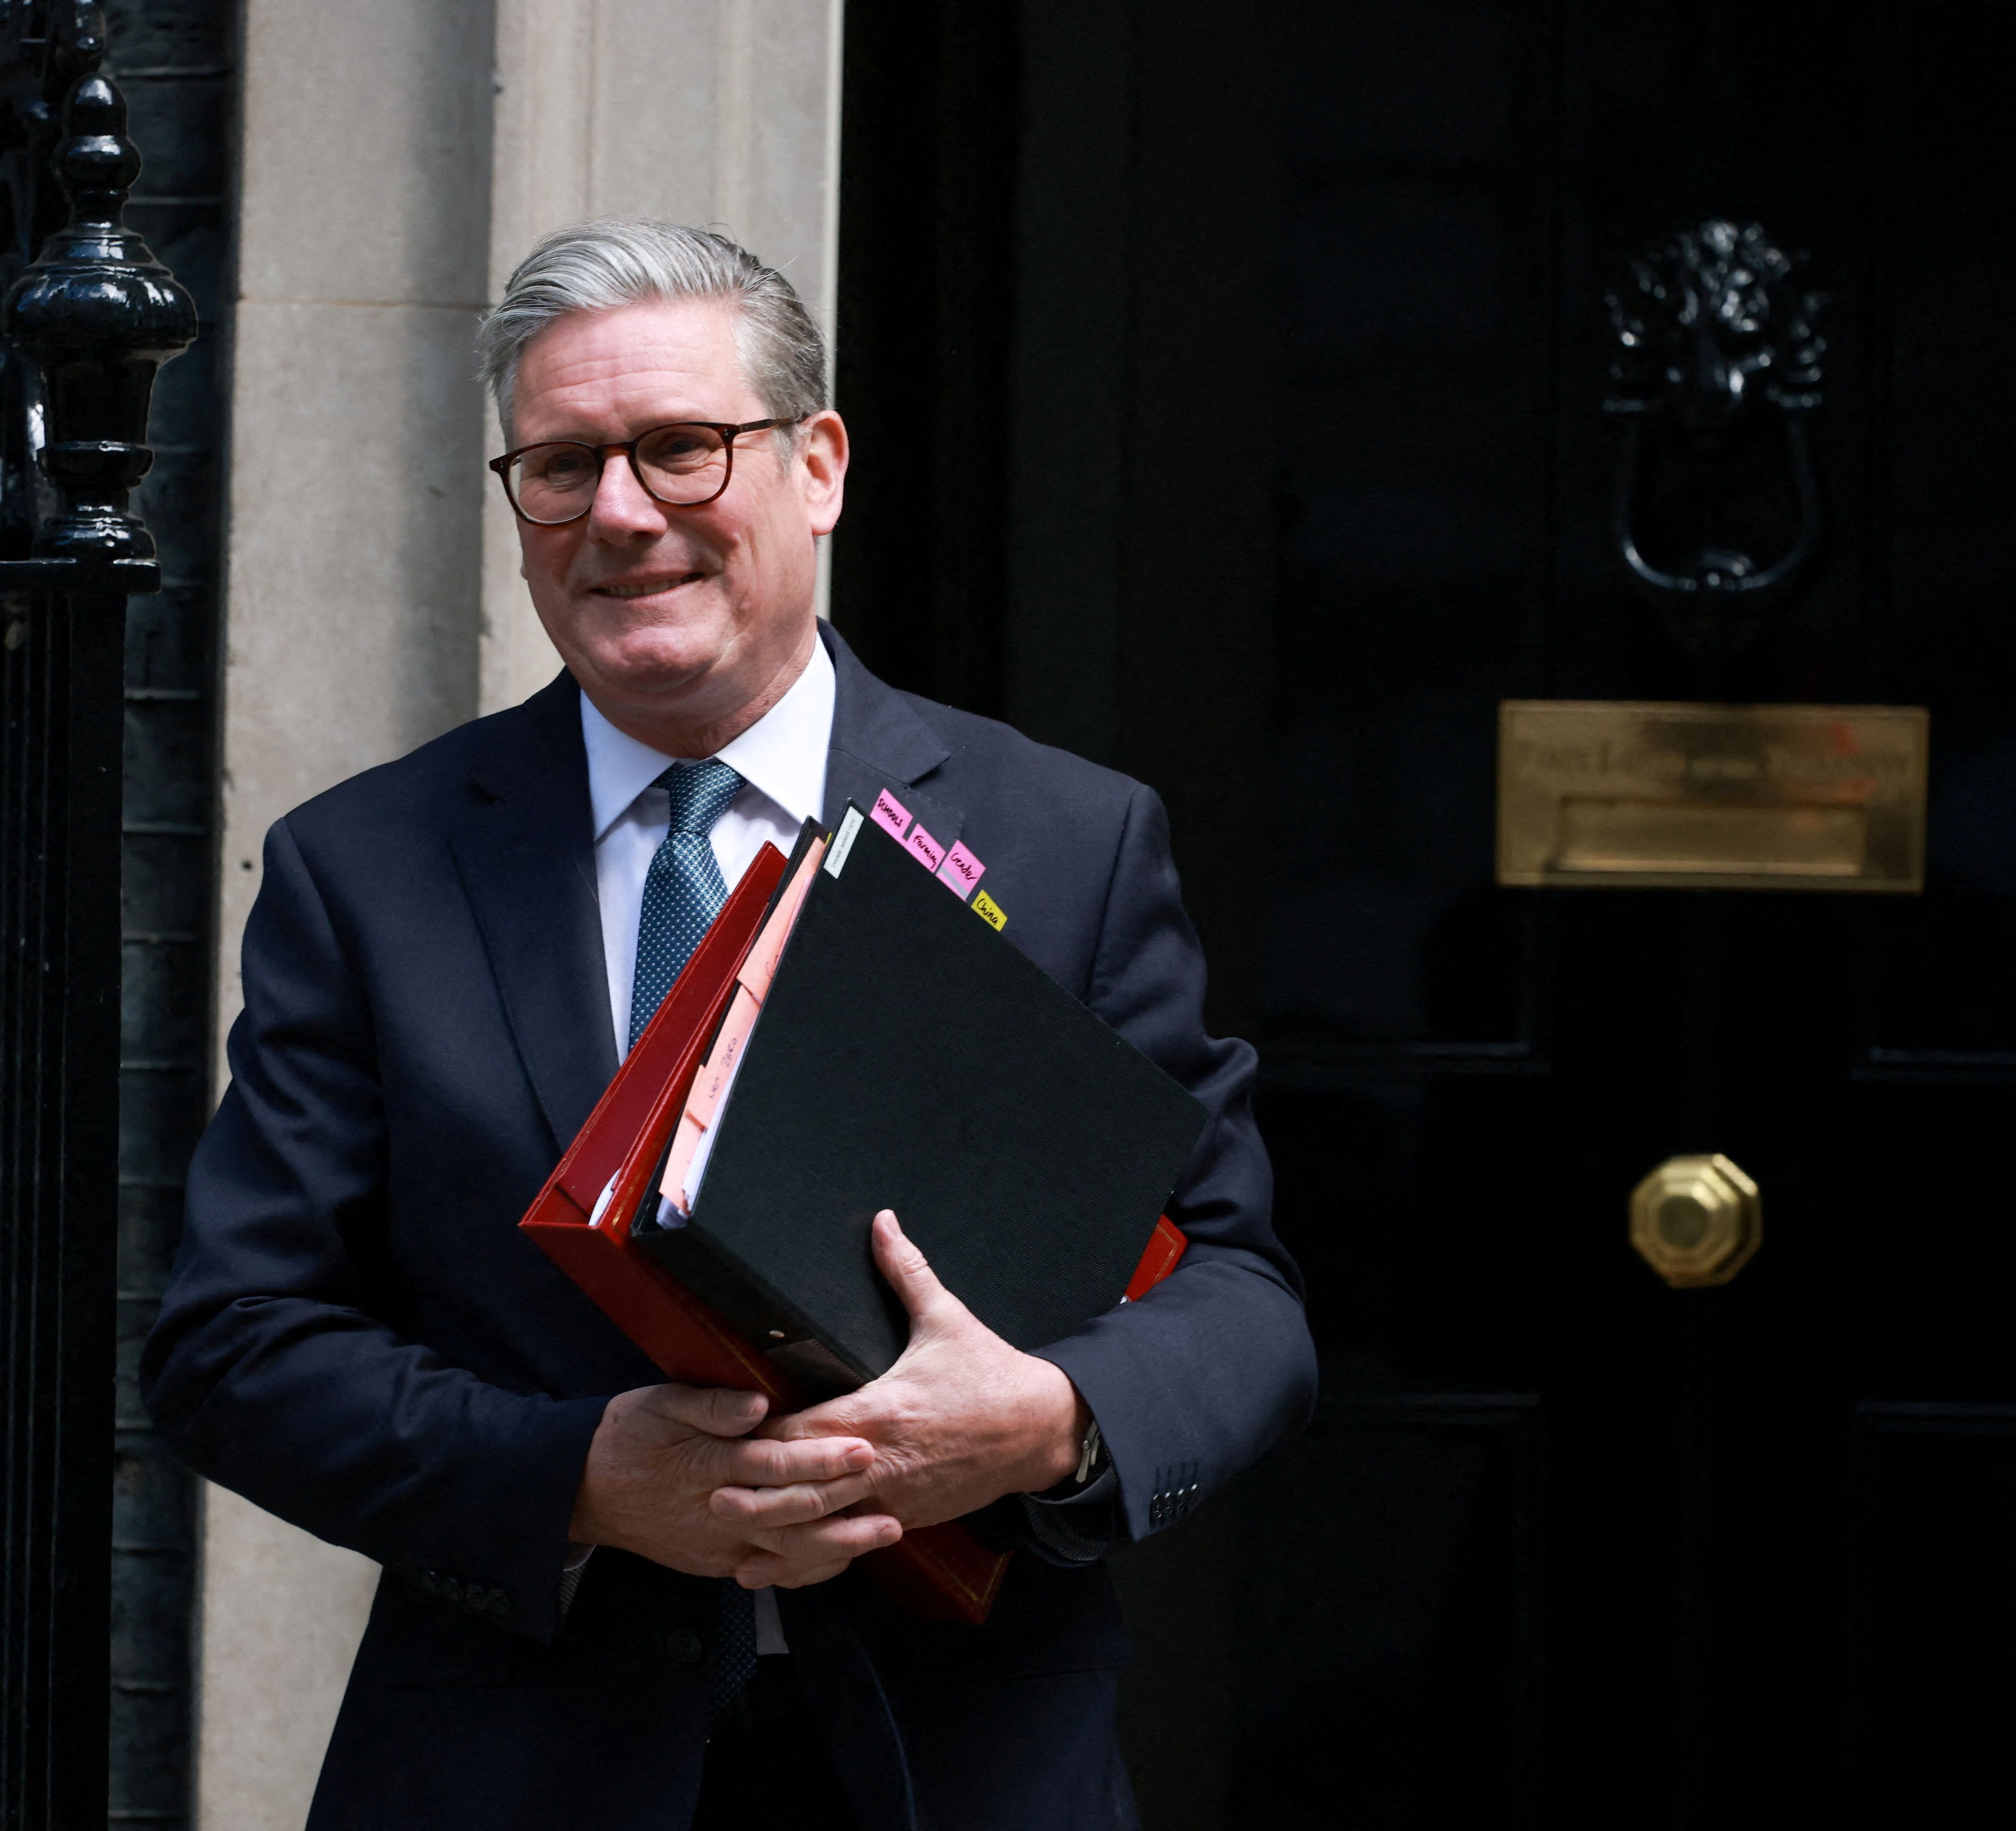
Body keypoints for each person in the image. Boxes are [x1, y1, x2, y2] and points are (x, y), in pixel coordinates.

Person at [143, 219, 1315, 1831]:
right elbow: (234, 1345)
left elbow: (1239, 1296)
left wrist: (1047, 1420)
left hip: (961, 1763)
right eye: (561, 467)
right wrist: (577, 1476)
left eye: (680, 447)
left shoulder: (1064, 842)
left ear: (816, 467)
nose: (621, 514)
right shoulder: (369, 868)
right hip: (518, 1769)